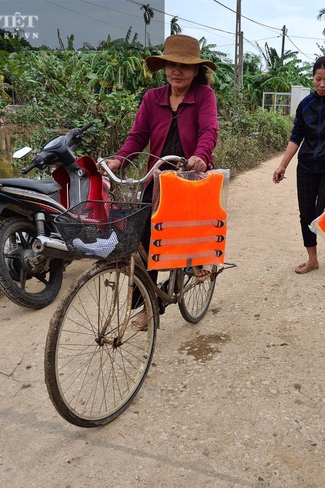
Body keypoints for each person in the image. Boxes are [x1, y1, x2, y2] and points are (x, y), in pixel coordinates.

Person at [102, 34, 219, 328]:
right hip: (158, 177)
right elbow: (137, 136)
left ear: (196, 71)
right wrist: (119, 158)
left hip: (191, 175)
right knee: (145, 241)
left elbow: (209, 131)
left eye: (184, 66)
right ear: (163, 68)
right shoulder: (152, 98)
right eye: (171, 65)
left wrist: (201, 155)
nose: (176, 71)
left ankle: (197, 262)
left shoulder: (205, 96)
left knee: (188, 237)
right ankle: (148, 304)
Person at [272, 56, 325, 274]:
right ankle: (312, 259)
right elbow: (296, 137)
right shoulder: (305, 105)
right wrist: (282, 165)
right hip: (307, 166)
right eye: (318, 79)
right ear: (312, 78)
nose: (321, 84)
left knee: (324, 213)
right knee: (306, 213)